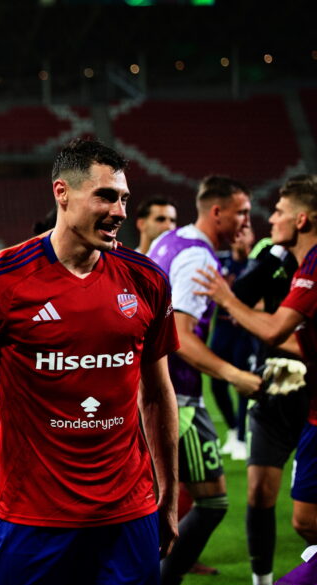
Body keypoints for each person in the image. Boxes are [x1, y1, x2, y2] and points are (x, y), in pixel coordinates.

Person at [0, 138, 180, 585]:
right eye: (105, 196)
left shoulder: (147, 279)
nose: (119, 211)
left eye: (123, 198)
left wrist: (169, 496)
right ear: (62, 193)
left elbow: (156, 393)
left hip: (127, 513)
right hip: (31, 518)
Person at [194, 174, 317, 584]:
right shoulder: (282, 258)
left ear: (301, 219)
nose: (270, 219)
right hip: (279, 391)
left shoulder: (314, 264)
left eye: (278, 212)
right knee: (282, 506)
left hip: (307, 400)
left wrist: (226, 298)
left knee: (306, 518)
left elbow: (274, 328)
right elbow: (261, 311)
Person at [146, 175, 261, 585]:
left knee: (154, 497)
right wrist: (234, 375)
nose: (247, 220)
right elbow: (180, 334)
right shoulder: (198, 257)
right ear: (217, 212)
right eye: (241, 212)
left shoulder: (170, 240)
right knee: (212, 501)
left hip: (149, 387)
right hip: (178, 394)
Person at [209, 225, 257, 461]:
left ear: (252, 237)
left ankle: (240, 437)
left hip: (244, 333)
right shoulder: (220, 262)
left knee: (242, 383)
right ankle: (231, 428)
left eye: (244, 232)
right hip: (222, 330)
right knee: (216, 383)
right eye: (236, 232)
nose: (239, 236)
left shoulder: (257, 265)